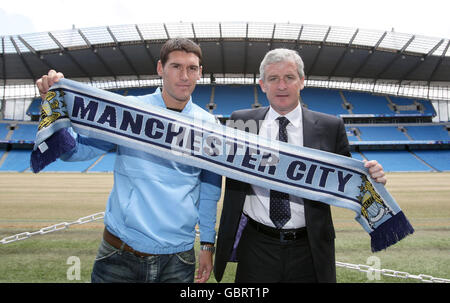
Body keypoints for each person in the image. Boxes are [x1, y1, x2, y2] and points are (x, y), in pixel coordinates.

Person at [36, 38, 222, 283]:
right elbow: (76, 151)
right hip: (120, 251)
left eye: (192, 68)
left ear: (200, 73)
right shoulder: (128, 110)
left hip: (178, 258)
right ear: (160, 68)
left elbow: (209, 191)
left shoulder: (210, 126)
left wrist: (207, 244)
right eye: (176, 66)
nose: (184, 76)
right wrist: (52, 105)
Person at [214, 48, 387, 283]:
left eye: (289, 77)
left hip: (310, 246)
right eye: (273, 79)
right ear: (262, 84)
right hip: (256, 245)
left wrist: (370, 176)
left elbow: (346, 179)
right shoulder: (243, 122)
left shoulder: (329, 126)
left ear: (302, 82)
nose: (281, 86)